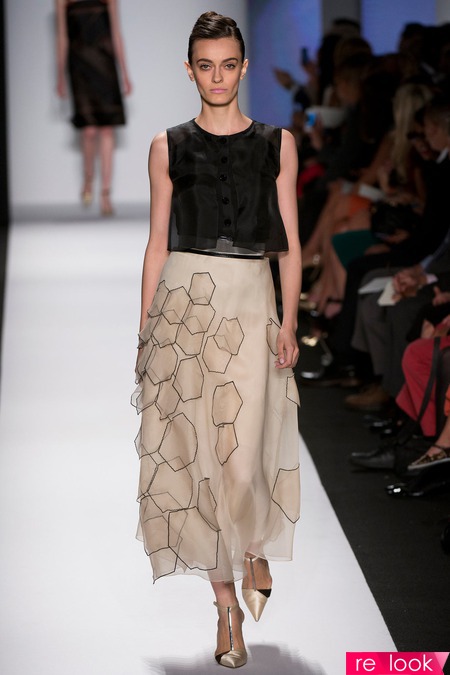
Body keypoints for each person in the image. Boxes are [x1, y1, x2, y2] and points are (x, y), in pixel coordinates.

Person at [131, 12, 302, 669]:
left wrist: (290, 322)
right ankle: (225, 608)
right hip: (185, 310)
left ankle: (253, 547)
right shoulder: (167, 146)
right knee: (201, 465)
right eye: (206, 66)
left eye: (228, 65)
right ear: (190, 70)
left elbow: (289, 241)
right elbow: (156, 244)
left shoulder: (278, 144)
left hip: (252, 306)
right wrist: (145, 333)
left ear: (244, 66)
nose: (218, 77)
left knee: (243, 460)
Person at [55, 0, 132, 215]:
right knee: (88, 130)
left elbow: (115, 34)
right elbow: (62, 37)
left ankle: (105, 193)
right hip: (79, 66)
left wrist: (125, 74)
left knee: (107, 129)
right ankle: (88, 178)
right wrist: (60, 75)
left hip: (105, 64)